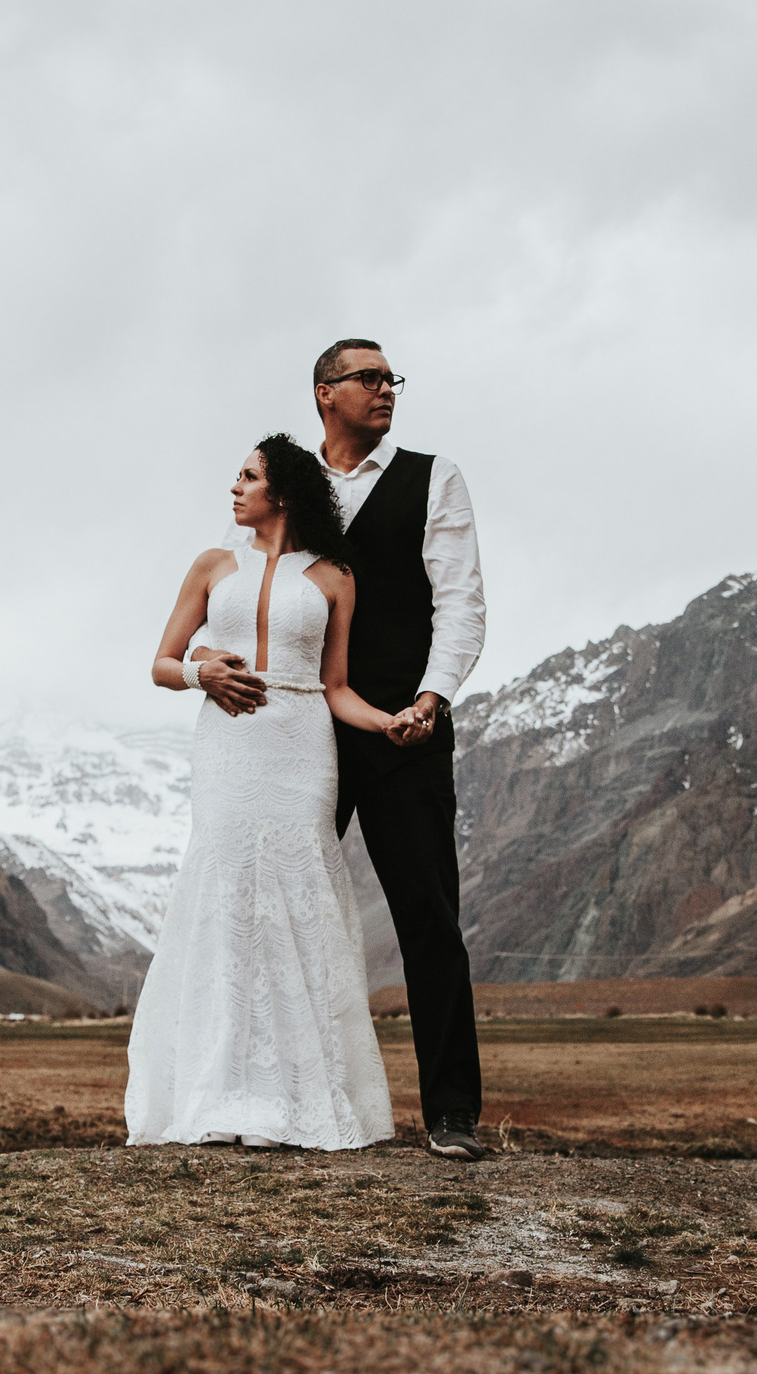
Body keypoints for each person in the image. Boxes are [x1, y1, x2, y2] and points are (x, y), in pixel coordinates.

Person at [191, 340, 490, 1162]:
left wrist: (429, 699)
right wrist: (204, 668)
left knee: (427, 911)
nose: (386, 389)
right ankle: (262, 1099)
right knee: (278, 909)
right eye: (369, 377)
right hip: (294, 736)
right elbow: (236, 589)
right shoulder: (285, 483)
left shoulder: (435, 478)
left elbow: (461, 603)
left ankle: (453, 1113)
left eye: (392, 378)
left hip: (397, 725)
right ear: (326, 394)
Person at [123, 434, 422, 1150]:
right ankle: (213, 1090)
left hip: (300, 743)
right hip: (227, 744)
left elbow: (337, 688)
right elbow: (162, 663)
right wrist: (204, 675)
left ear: (282, 492)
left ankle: (296, 1095)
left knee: (299, 895)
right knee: (224, 891)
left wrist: (390, 722)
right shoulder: (211, 564)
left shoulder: (332, 577)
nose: (235, 489)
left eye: (249, 477)